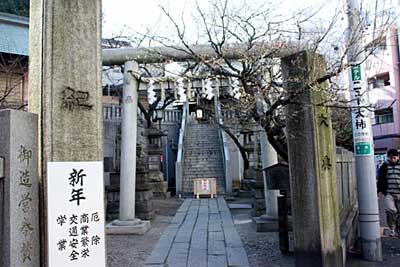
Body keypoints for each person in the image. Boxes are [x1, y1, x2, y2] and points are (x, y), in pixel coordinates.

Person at [377, 148, 400, 237]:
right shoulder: (385, 166)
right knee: (391, 210)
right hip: (389, 193)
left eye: (394, 157)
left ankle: (398, 228)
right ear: (388, 158)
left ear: (397, 157)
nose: (393, 159)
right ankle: (392, 229)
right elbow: (381, 179)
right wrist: (379, 191)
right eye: (391, 158)